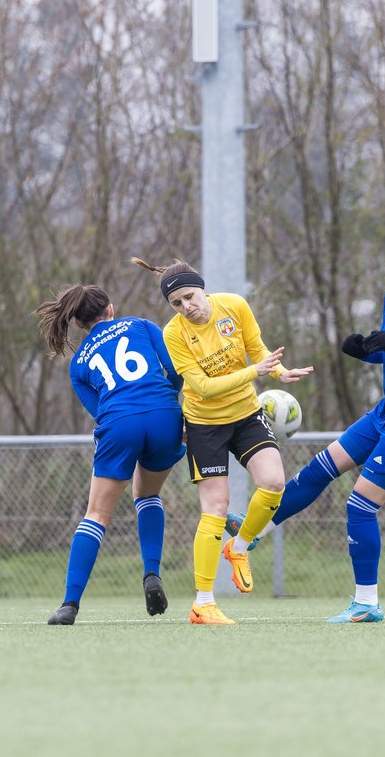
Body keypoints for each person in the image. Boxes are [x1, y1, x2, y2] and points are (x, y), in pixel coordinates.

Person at [226, 236, 385, 623]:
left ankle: (367, 604)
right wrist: (366, 350)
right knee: (319, 469)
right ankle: (253, 533)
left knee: (359, 506)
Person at [132, 257, 313, 625]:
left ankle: (240, 547)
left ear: (202, 288)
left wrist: (279, 370)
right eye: (177, 303)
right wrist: (254, 371)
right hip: (204, 424)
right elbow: (201, 387)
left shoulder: (235, 305)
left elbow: (259, 350)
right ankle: (203, 603)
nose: (186, 307)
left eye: (189, 296)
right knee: (216, 507)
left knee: (274, 483)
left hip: (247, 415)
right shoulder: (173, 333)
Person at [35, 284, 186, 625]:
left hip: (119, 421)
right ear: (111, 309)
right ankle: (151, 573)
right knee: (147, 495)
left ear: (78, 323)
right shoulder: (142, 325)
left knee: (97, 516)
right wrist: (168, 405)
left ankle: (69, 604)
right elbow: (175, 372)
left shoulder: (78, 364)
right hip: (164, 413)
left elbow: (99, 410)